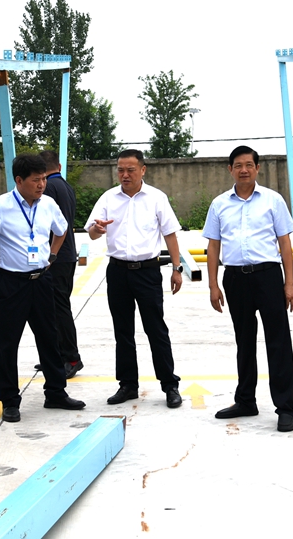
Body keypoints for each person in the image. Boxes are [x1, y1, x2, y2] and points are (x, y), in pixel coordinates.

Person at [0, 154, 85, 423]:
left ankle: (56, 392)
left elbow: (62, 229)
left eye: (43, 179)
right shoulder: (0, 207)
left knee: (49, 338)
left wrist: (52, 255)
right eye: (35, 180)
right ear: (19, 180)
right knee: (6, 343)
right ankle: (9, 400)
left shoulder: (48, 204)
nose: (41, 185)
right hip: (10, 283)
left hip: (41, 280)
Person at [203, 145, 293, 432]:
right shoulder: (219, 204)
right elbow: (213, 246)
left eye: (248, 165)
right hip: (235, 279)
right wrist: (213, 285)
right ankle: (245, 400)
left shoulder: (273, 200)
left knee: (278, 342)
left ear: (257, 168)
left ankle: (286, 408)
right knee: (244, 342)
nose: (243, 170)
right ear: (230, 169)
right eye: (238, 165)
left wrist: (289, 283)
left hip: (268, 276)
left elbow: (285, 244)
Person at [85, 149, 184, 409]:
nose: (125, 175)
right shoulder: (108, 198)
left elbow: (170, 234)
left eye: (130, 170)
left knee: (156, 329)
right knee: (123, 330)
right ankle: (128, 385)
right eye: (120, 170)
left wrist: (177, 268)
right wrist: (97, 229)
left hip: (147, 272)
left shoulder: (156, 198)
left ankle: (169, 385)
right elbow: (92, 232)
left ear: (142, 170)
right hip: (118, 271)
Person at [41, 149, 82, 379]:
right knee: (55, 308)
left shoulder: (48, 188)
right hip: (66, 255)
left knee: (59, 309)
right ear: (58, 166)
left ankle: (71, 357)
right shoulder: (65, 186)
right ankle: (57, 355)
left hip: (55, 256)